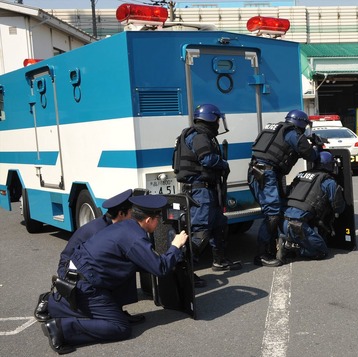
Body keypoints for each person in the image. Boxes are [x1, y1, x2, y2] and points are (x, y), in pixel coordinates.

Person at [41, 195, 189, 354]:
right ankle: (62, 328)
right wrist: (175, 246)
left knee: (126, 274)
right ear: (148, 220)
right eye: (158, 218)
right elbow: (160, 268)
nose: (159, 222)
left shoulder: (124, 226)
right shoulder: (135, 238)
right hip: (88, 285)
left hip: (80, 276)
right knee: (120, 327)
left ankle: (52, 303)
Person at [34, 189, 138, 323]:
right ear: (121, 214)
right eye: (131, 213)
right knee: (116, 268)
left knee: (127, 266)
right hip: (70, 267)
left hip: (84, 263)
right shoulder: (101, 230)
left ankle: (116, 308)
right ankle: (48, 300)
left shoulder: (110, 224)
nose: (133, 217)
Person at [174, 103, 240, 282]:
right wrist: (223, 163)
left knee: (219, 226)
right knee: (200, 233)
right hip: (200, 191)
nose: (219, 123)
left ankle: (219, 260)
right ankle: (183, 270)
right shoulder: (199, 136)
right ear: (211, 119)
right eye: (217, 119)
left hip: (208, 189)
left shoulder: (201, 134)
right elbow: (207, 159)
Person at [248, 109, 319, 267]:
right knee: (272, 214)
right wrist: (316, 146)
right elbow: (310, 155)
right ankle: (261, 255)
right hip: (267, 175)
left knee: (274, 212)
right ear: (301, 123)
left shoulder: (277, 129)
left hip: (256, 172)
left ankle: (272, 248)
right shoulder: (293, 134)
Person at [278, 151, 346, 262]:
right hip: (297, 225)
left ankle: (289, 241)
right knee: (321, 251)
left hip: (281, 220)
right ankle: (291, 247)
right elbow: (338, 206)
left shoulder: (301, 174)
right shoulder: (328, 181)